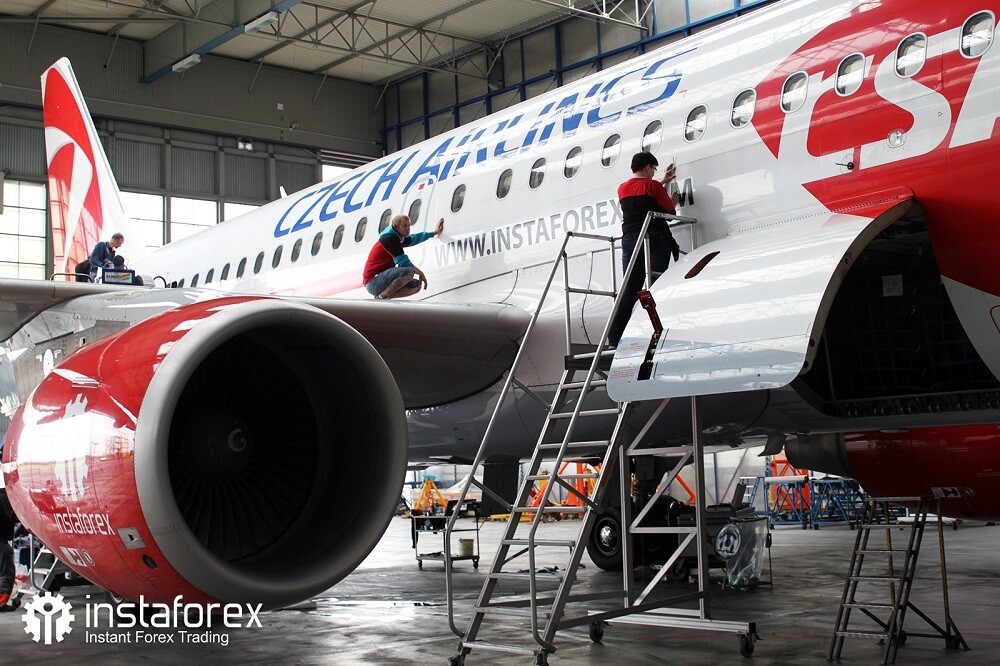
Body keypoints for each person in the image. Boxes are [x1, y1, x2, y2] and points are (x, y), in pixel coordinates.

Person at [606, 152, 680, 346]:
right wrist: (674, 199)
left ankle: (614, 337)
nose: (654, 173)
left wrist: (662, 181)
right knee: (656, 285)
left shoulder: (622, 188)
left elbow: (642, 198)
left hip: (630, 241)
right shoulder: (653, 186)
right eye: (654, 169)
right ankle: (655, 332)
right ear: (648, 167)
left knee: (630, 289)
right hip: (655, 238)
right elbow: (669, 212)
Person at [363, 215, 444, 299]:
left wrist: (434, 233)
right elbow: (403, 263)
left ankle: (382, 297)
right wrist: (421, 273)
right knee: (409, 272)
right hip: (373, 281)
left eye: (409, 225)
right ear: (396, 227)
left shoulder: (399, 238)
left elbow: (415, 238)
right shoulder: (389, 239)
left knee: (416, 285)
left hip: (382, 279)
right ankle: (383, 296)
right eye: (405, 225)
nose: (408, 228)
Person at [0, 464, 19, 612]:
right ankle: (1, 602)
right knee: (6, 571)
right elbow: (12, 516)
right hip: (1, 540)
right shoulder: (4, 495)